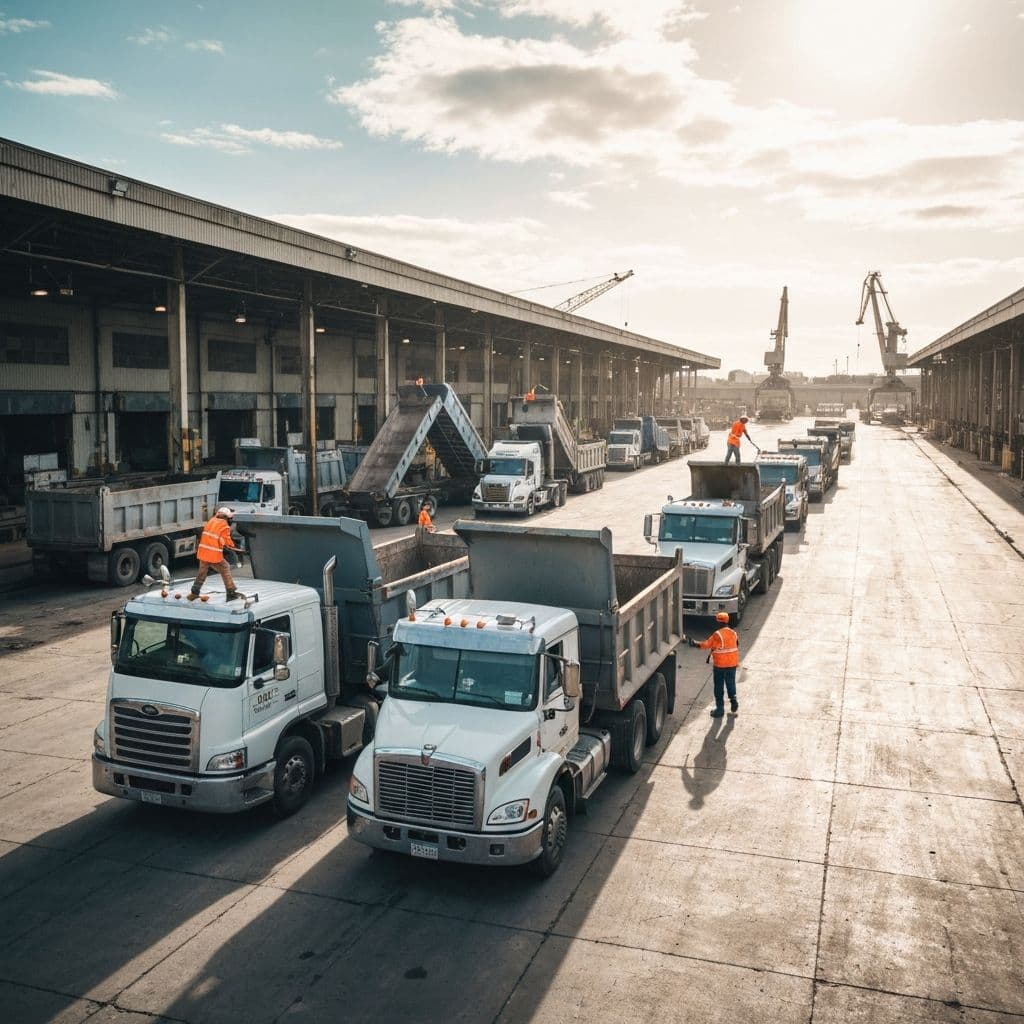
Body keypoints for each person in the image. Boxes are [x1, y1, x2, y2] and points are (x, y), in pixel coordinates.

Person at [688, 612, 739, 717]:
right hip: (732, 664)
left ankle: (720, 710)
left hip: (720, 665)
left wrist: (694, 643)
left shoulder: (717, 634)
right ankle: (733, 700)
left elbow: (706, 644)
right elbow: (736, 644)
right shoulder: (733, 633)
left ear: (718, 622)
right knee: (730, 683)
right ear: (727, 621)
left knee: (719, 686)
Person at [188, 507, 240, 601]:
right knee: (225, 568)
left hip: (203, 552)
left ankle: (194, 592)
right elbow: (227, 540)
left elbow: (213, 536)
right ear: (226, 517)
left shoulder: (211, 521)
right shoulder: (224, 525)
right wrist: (233, 546)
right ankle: (231, 593)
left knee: (202, 573)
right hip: (213, 554)